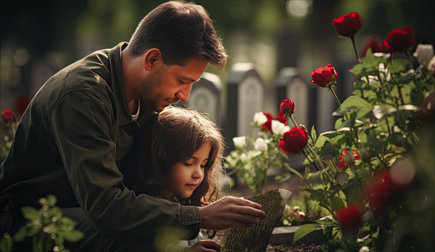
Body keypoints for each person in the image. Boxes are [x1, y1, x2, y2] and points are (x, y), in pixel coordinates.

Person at [0, 1, 264, 251]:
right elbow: (107, 208)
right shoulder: (84, 94)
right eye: (182, 80)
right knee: (139, 239)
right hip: (29, 219)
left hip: (81, 214)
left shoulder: (146, 97)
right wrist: (199, 217)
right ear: (151, 60)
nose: (185, 95)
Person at [132, 106, 224, 251]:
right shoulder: (142, 214)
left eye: (203, 165)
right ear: (160, 160)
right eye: (188, 163)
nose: (198, 174)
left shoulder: (182, 207)